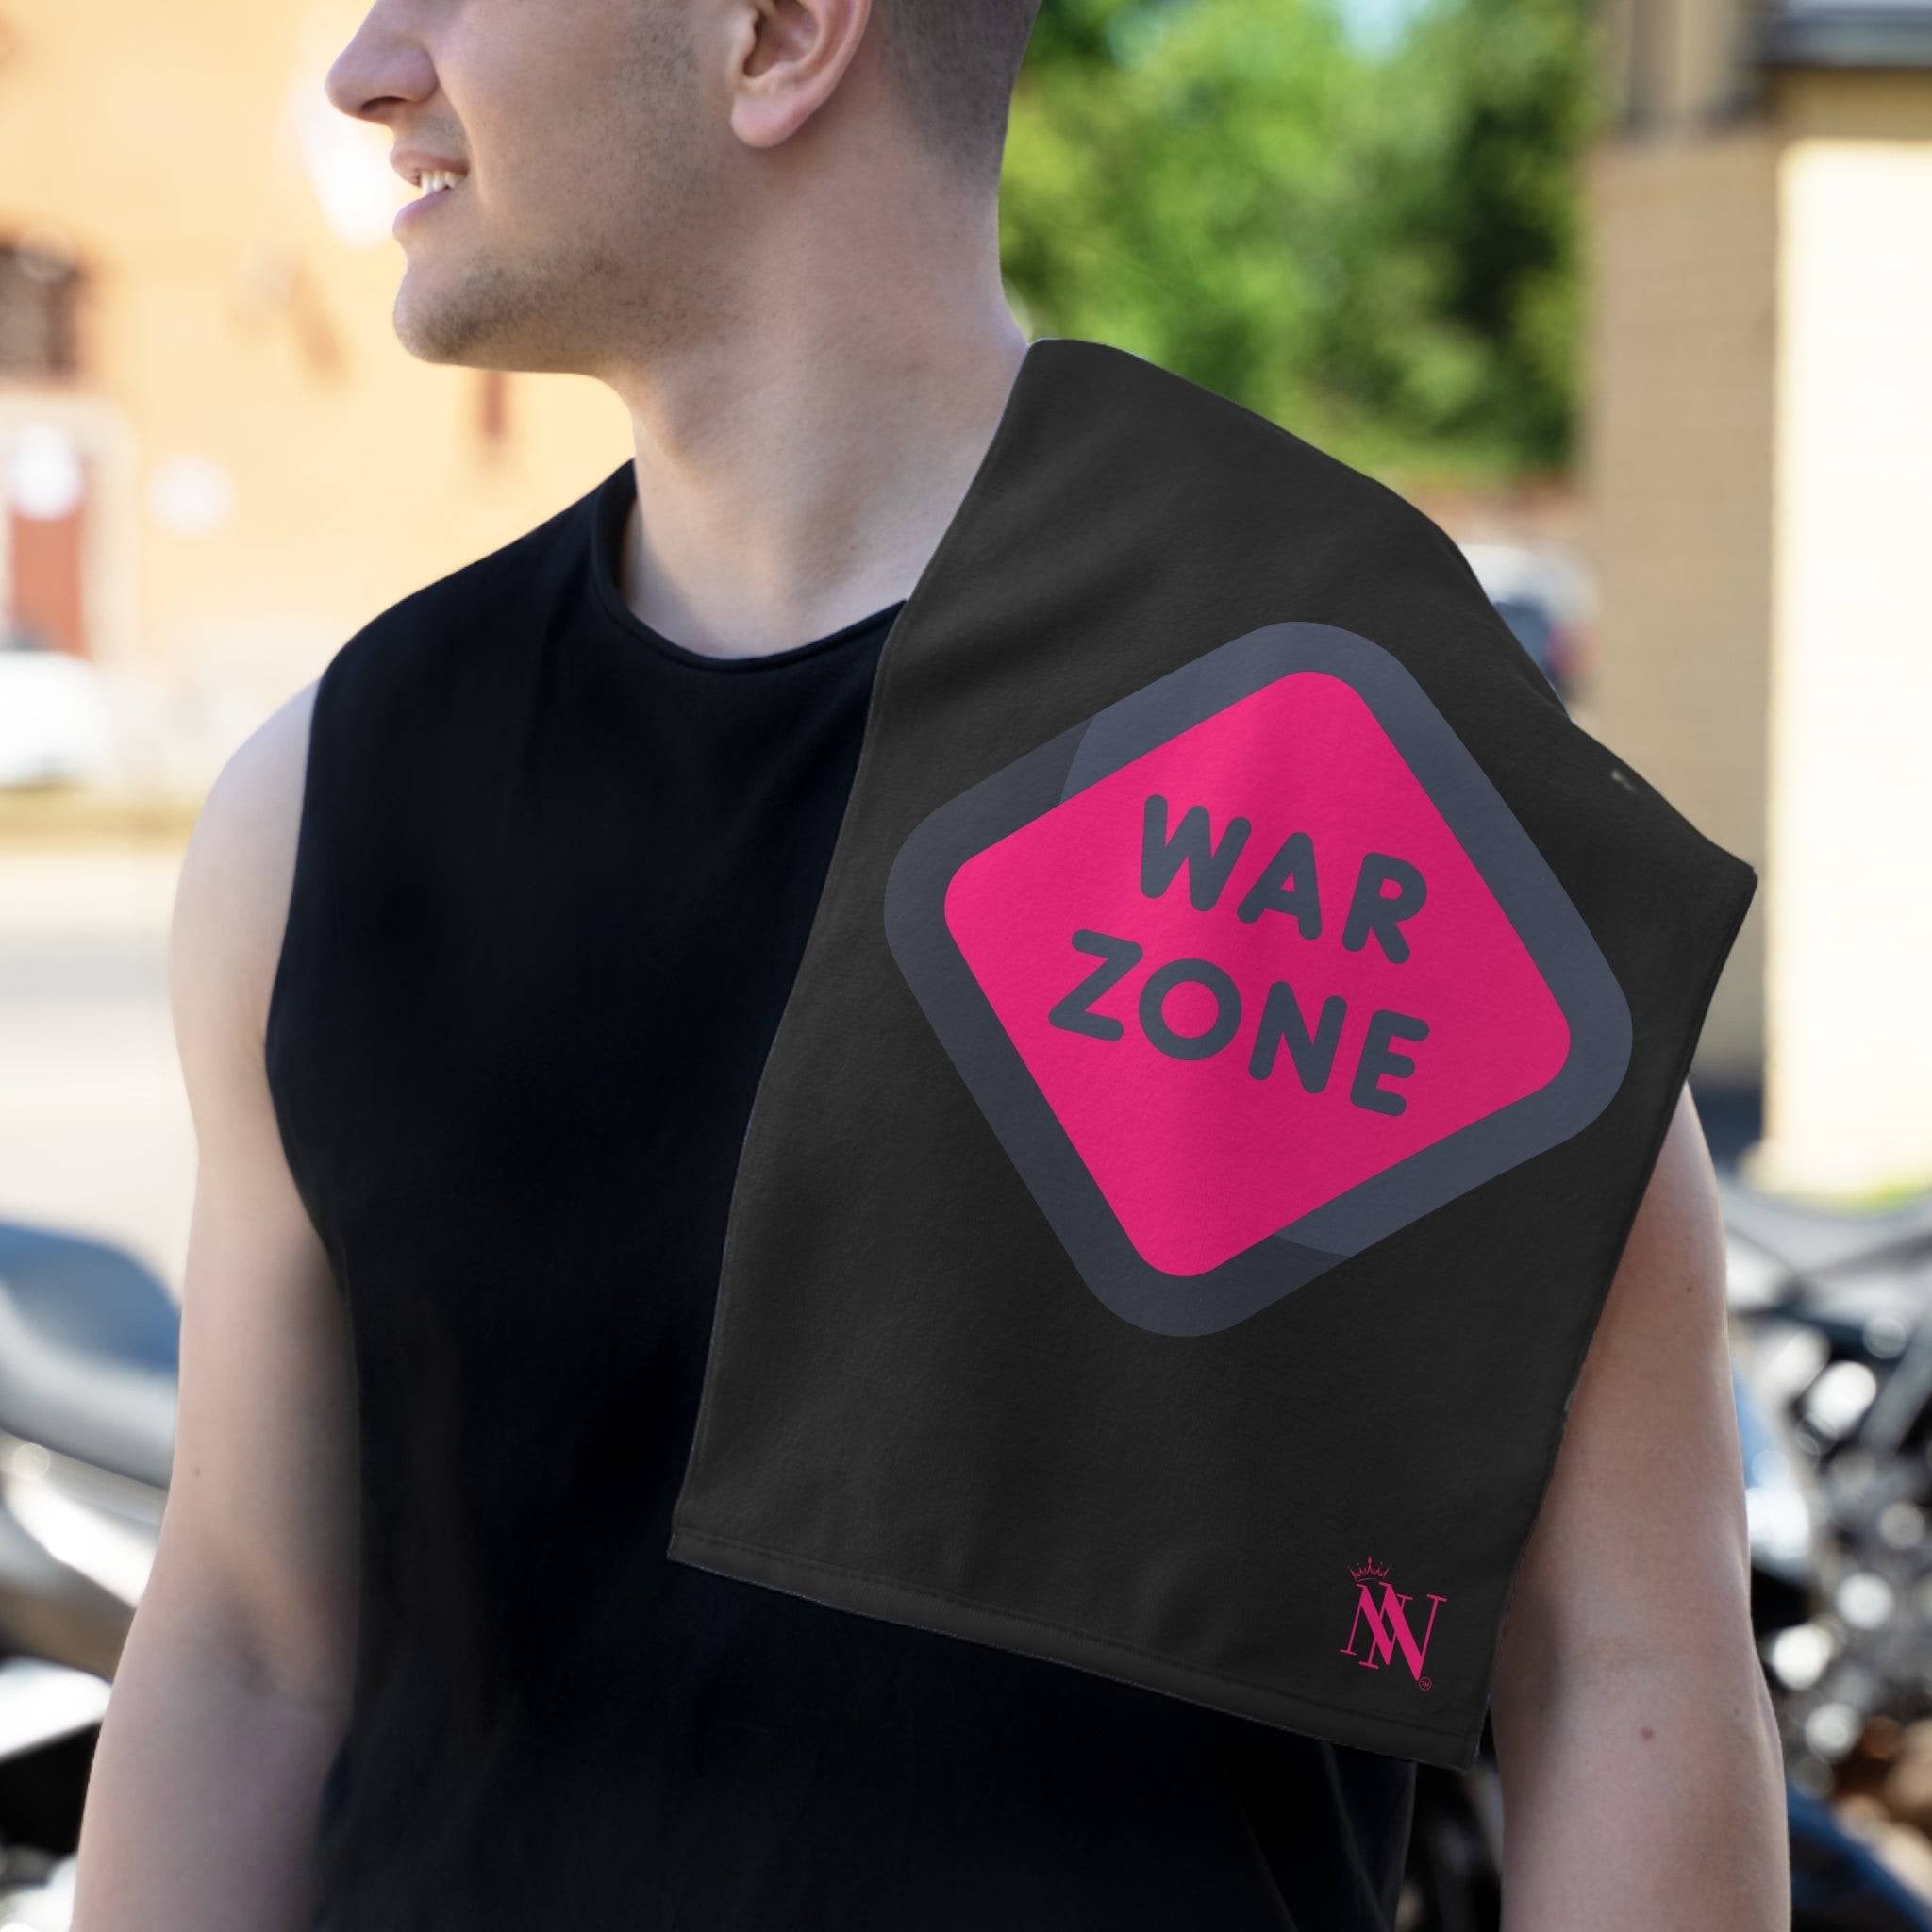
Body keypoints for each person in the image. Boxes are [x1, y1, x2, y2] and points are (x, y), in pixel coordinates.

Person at [71, 0, 1790, 1925]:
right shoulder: (331, 799)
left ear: (779, 35)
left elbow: (1619, 1666)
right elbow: (246, 1649)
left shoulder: (1342, 735)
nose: (371, 65)